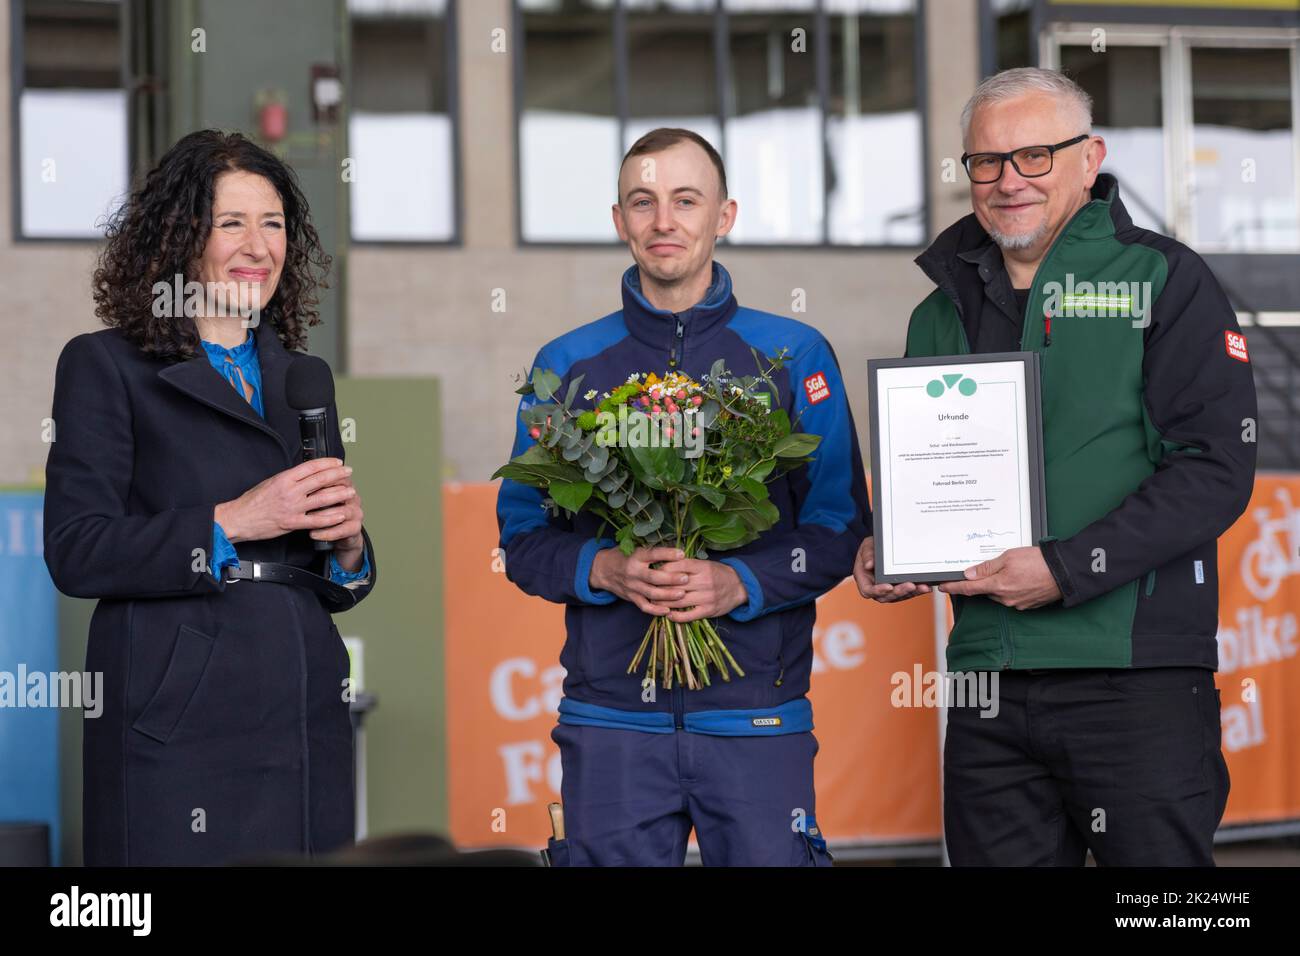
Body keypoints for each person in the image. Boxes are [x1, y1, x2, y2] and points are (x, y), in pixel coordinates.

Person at [854, 67, 1257, 866]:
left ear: (1089, 157)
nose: (1009, 181)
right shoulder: (937, 311)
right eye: (987, 161)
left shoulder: (1164, 280)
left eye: (1035, 155)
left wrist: (1066, 569)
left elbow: (1214, 468)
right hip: (986, 681)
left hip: (1134, 677)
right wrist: (897, 547)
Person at [496, 128, 870, 866]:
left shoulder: (794, 356)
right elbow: (522, 538)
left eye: (685, 201)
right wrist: (605, 568)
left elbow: (840, 525)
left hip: (757, 717)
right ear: (619, 220)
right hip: (610, 720)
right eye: (644, 202)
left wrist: (740, 581)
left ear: (724, 216)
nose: (663, 221)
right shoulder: (566, 364)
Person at [44, 129, 377, 866]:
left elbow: (327, 568)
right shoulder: (106, 366)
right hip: (180, 719)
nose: (258, 245)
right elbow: (77, 549)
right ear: (179, 238)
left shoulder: (303, 378)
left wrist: (350, 550)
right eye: (231, 222)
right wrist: (233, 520)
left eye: (274, 224)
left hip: (302, 708)